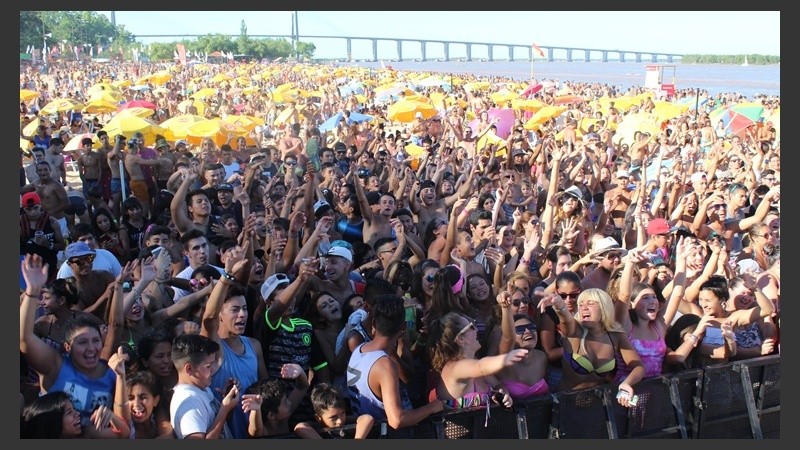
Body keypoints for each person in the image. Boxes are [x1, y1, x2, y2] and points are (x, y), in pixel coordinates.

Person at [20, 254, 124, 437]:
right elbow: (24, 339)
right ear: (68, 347)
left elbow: (123, 432)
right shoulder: (55, 366)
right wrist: (32, 292)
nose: (91, 348)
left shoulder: (111, 373)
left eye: (95, 341)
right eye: (82, 342)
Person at [347, 294, 444, 432]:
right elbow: (397, 420)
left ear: (374, 323)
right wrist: (432, 407)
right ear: (403, 327)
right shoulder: (384, 364)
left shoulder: (359, 350)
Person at [200, 243, 269, 439]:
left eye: (245, 309)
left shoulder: (253, 345)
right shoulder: (213, 346)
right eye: (235, 310)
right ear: (220, 314)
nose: (242, 315)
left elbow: (265, 389)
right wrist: (227, 274)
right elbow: (208, 318)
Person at [537, 289, 644, 407]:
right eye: (581, 304)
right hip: (564, 405)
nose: (584, 307)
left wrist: (626, 384)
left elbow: (639, 367)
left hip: (596, 405)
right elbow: (566, 318)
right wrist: (559, 305)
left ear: (604, 307)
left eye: (590, 303)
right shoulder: (574, 330)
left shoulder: (616, 335)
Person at [169, 333, 240, 439]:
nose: (213, 369)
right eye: (208, 366)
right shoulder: (189, 402)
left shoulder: (203, 388)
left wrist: (226, 403)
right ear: (189, 369)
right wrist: (224, 409)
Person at [21, 390, 129, 439]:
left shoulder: (86, 434)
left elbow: (124, 435)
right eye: (69, 412)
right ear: (54, 421)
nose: (77, 413)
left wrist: (112, 417)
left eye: (73, 409)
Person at [294, 382, 375, 439]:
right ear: (318, 418)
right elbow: (300, 427)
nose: (340, 421)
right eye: (333, 417)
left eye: (343, 413)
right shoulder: (317, 426)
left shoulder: (346, 421)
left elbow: (367, 418)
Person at [20, 191, 65, 282]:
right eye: (29, 209)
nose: (33, 212)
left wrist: (47, 244)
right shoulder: (20, 223)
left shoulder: (52, 222)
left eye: (35, 208)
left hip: (49, 266)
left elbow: (62, 246)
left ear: (40, 206)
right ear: (24, 209)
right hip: (27, 269)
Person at [57, 223, 122, 279]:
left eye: (90, 238)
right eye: (83, 240)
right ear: (74, 243)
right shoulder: (68, 265)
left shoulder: (106, 255)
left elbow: (120, 278)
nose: (88, 242)